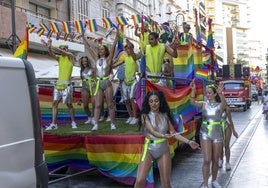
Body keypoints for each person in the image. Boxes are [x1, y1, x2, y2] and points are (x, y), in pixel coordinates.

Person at [134, 91, 199, 188]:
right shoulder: (144, 116)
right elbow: (152, 131)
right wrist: (164, 136)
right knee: (140, 181)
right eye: (151, 101)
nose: (154, 103)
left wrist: (189, 142)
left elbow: (173, 133)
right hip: (149, 149)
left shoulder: (164, 115)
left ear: (160, 102)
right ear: (148, 103)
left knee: (166, 183)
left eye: (156, 101)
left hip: (163, 149)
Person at [190, 81, 226, 188]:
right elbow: (192, 102)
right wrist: (193, 90)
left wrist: (220, 93)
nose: (208, 95)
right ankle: (205, 184)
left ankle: (214, 180)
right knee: (207, 159)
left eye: (210, 93)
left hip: (217, 134)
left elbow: (224, 105)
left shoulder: (219, 105)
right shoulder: (204, 104)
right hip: (205, 134)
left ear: (215, 94)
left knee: (215, 160)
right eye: (207, 93)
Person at [83, 29, 119, 131]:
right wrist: (83, 38)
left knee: (110, 104)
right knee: (97, 104)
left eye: (102, 49)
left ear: (105, 51)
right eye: (99, 49)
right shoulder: (96, 58)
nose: (100, 51)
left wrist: (117, 36)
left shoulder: (108, 59)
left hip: (107, 83)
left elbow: (113, 48)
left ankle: (112, 124)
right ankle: (96, 124)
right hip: (98, 83)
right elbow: (89, 48)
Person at [42, 39, 77, 130]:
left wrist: (51, 46)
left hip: (67, 85)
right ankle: (54, 124)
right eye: (61, 48)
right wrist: (49, 48)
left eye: (63, 49)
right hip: (58, 85)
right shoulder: (60, 58)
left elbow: (59, 51)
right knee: (54, 103)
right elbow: (52, 54)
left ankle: (73, 122)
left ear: (66, 50)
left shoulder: (71, 57)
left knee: (69, 104)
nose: (61, 50)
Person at [114, 40, 140, 125]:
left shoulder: (134, 57)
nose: (127, 50)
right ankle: (131, 116)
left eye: (129, 49)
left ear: (132, 49)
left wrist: (130, 45)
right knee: (126, 100)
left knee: (132, 99)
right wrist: (110, 65)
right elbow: (117, 64)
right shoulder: (125, 58)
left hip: (133, 80)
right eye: (126, 49)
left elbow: (134, 57)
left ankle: (135, 117)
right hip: (125, 81)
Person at [218, 107, 238, 171]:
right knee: (220, 146)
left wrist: (234, 131)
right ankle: (221, 159)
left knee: (227, 145)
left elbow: (230, 120)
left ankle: (227, 162)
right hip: (217, 127)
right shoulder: (214, 107)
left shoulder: (227, 109)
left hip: (226, 127)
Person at [79, 56, 95, 124]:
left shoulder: (92, 69)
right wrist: (82, 89)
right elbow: (82, 80)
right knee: (85, 105)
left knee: (94, 104)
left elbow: (95, 78)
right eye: (83, 61)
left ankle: (94, 117)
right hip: (85, 87)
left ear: (88, 61)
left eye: (85, 61)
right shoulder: (81, 70)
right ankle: (89, 117)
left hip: (93, 87)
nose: (84, 63)